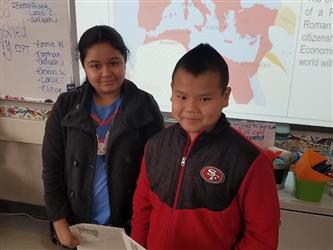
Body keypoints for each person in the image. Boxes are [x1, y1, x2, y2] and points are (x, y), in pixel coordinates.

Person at [131, 43, 280, 250]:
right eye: (182, 97)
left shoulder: (250, 161)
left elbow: (262, 237)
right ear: (172, 92)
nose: (191, 109)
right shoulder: (155, 146)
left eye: (204, 99)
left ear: (225, 97)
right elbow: (142, 208)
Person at [42, 25, 164, 249]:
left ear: (124, 61)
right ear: (84, 66)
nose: (106, 73)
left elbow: (157, 174)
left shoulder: (145, 106)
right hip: (77, 225)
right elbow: (52, 168)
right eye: (95, 65)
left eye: (114, 63)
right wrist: (59, 223)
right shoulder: (65, 106)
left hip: (128, 226)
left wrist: (142, 228)